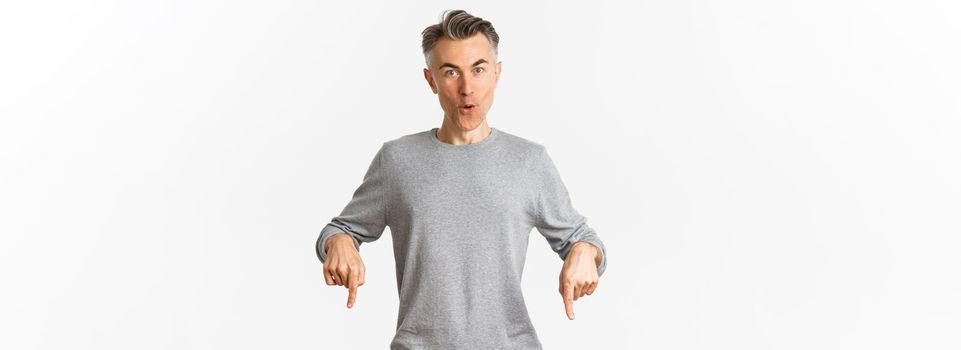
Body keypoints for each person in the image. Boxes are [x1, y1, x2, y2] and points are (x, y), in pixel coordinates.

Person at [315, 9, 608, 349]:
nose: (467, 88)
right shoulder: (397, 160)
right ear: (431, 80)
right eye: (451, 72)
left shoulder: (529, 162)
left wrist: (586, 251)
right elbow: (340, 229)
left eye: (478, 69)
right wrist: (339, 244)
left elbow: (582, 239)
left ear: (496, 75)